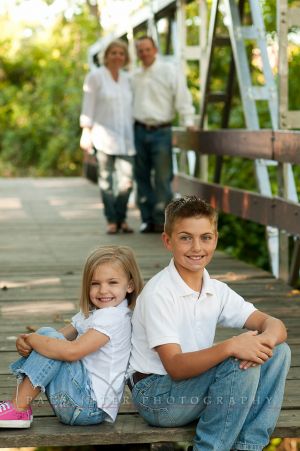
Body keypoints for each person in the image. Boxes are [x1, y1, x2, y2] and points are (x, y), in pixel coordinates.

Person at [128, 195, 291, 451]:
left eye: (205, 237)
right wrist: (231, 347)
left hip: (191, 389)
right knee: (238, 360)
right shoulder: (159, 293)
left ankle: (247, 447)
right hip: (156, 396)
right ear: (167, 241)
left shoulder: (215, 289)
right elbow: (176, 367)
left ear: (215, 239)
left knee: (278, 351)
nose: (196, 247)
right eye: (185, 237)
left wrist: (264, 340)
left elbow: (275, 325)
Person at [0, 245, 143, 428]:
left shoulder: (114, 318)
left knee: (48, 338)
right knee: (48, 336)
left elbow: (72, 352)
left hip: (88, 406)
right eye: (95, 283)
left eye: (112, 282)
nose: (103, 290)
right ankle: (19, 407)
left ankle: (18, 408)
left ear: (130, 285)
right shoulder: (94, 313)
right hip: (78, 403)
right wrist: (30, 340)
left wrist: (35, 340)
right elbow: (56, 337)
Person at [132, 36, 195, 234]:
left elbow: (181, 95)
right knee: (141, 176)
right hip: (138, 130)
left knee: (162, 177)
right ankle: (147, 219)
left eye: (147, 49)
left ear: (155, 49)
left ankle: (162, 221)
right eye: (140, 50)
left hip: (161, 130)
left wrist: (188, 120)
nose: (144, 53)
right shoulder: (134, 75)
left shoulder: (169, 70)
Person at [80, 40, 135, 234]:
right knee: (106, 181)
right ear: (106, 55)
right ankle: (112, 220)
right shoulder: (95, 77)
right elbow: (88, 106)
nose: (117, 56)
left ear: (125, 57)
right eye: (113, 52)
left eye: (121, 53)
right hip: (102, 137)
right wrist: (86, 131)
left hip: (126, 138)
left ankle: (121, 217)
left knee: (126, 182)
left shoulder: (129, 79)